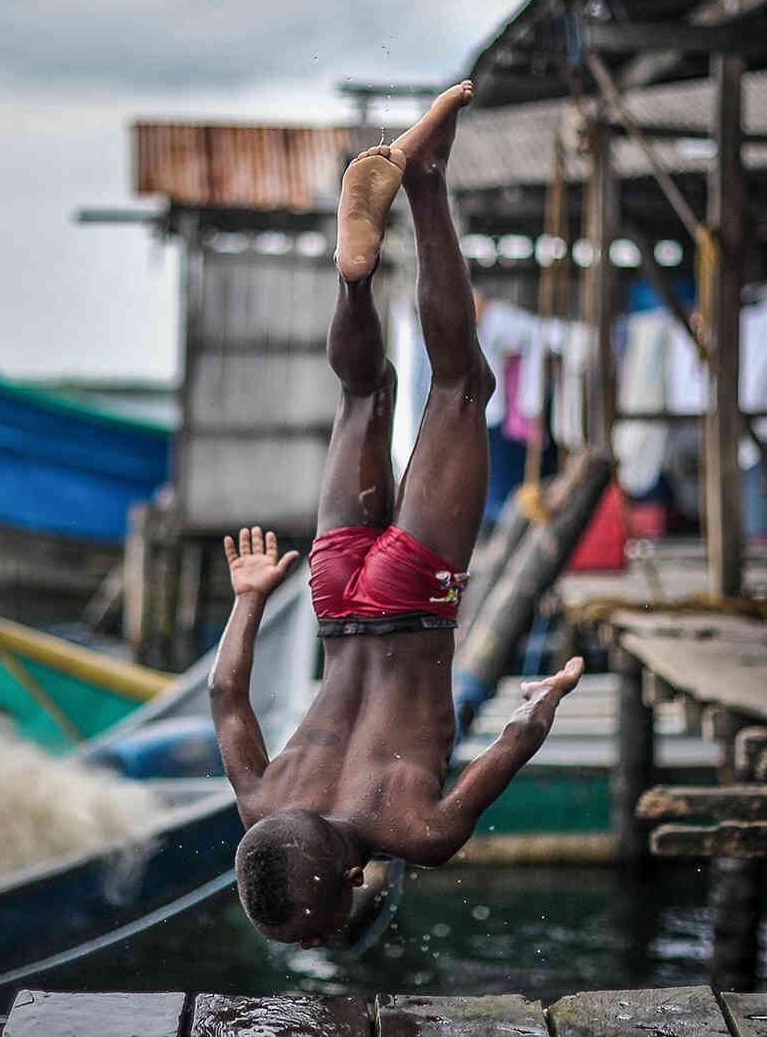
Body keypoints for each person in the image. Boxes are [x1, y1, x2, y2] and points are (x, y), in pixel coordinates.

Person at [206, 80, 584, 948]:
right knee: (362, 394)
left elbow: (517, 743)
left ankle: (428, 181)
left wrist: (551, 692)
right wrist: (252, 596)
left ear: (347, 879)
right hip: (333, 595)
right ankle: (352, 279)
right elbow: (228, 692)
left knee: (461, 386)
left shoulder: (421, 833)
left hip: (415, 596)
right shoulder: (262, 798)